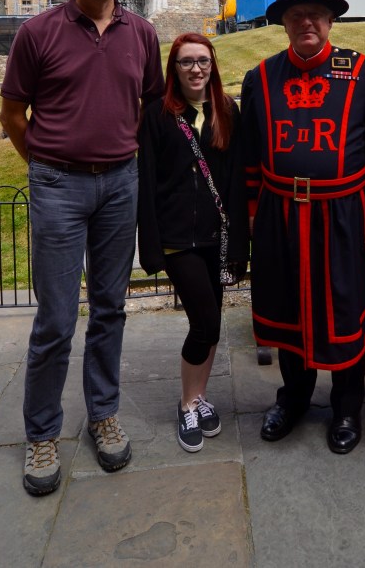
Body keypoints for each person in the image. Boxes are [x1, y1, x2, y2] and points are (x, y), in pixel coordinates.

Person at [0, 0, 164, 496]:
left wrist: (116, 152)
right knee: (54, 320)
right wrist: (46, 162)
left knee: (111, 308)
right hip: (58, 188)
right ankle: (42, 433)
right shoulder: (38, 33)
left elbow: (145, 105)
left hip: (120, 184)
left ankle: (103, 414)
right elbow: (12, 116)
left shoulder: (142, 34)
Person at [241, 0, 365, 454]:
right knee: (287, 310)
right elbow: (249, 157)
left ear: (330, 20)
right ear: (284, 22)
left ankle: (348, 407)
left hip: (343, 217)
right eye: (296, 15)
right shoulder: (259, 78)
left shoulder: (362, 71)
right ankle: (294, 399)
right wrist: (251, 213)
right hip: (280, 215)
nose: (307, 22)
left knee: (345, 311)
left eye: (316, 14)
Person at [137, 33, 249, 452]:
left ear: (213, 65)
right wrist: (150, 244)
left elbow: (235, 181)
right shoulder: (157, 115)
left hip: (215, 237)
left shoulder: (226, 112)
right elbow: (146, 181)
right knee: (205, 321)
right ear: (174, 69)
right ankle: (186, 403)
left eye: (203, 61)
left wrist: (239, 244)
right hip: (176, 239)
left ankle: (200, 397)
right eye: (186, 62)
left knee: (213, 320)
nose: (196, 69)